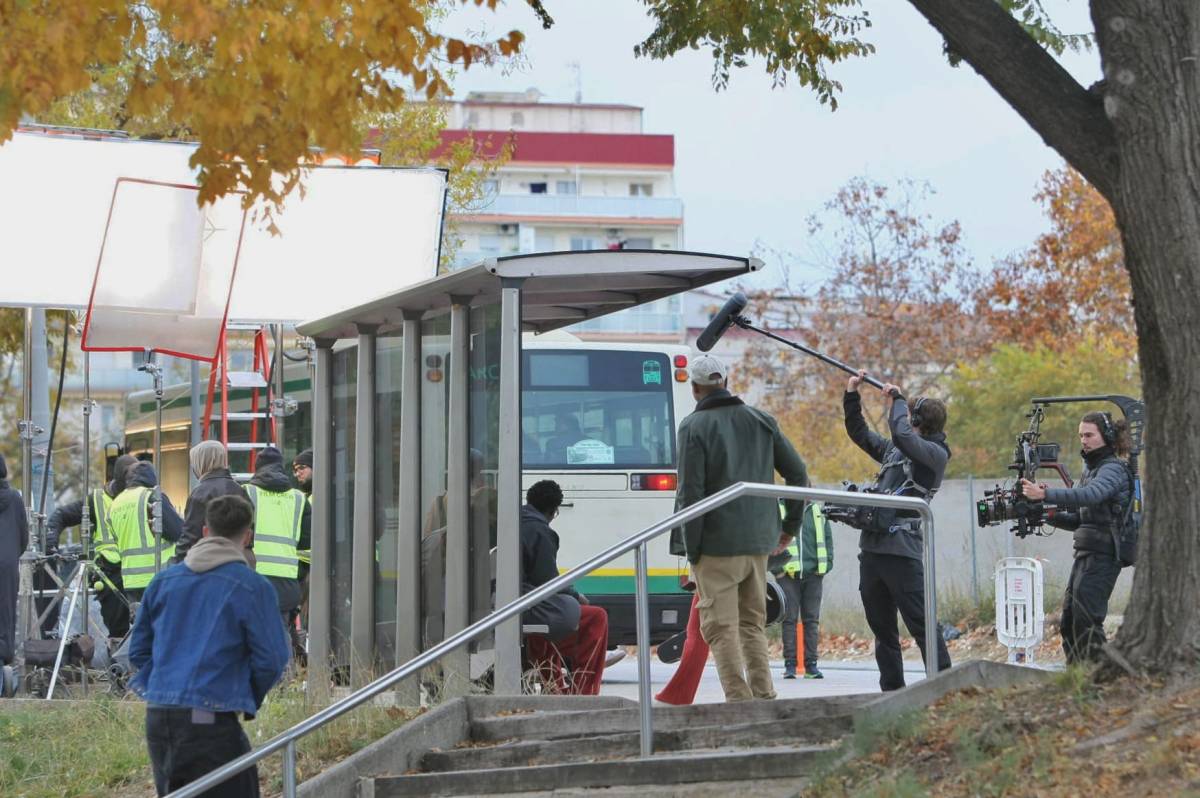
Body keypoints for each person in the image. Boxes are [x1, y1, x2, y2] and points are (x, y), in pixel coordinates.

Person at [129, 494, 290, 798]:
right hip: (211, 715)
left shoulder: (162, 581)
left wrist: (166, 683)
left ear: (205, 531)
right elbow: (271, 658)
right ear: (247, 536)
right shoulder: (253, 587)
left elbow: (137, 651)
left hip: (160, 715)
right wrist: (243, 694)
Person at [672, 353, 810, 702]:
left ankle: (739, 702)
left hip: (715, 546)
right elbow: (798, 474)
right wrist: (789, 527)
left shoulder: (693, 427)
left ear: (696, 389)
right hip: (759, 543)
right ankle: (764, 696)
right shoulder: (762, 420)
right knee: (752, 624)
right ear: (726, 382)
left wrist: (693, 550)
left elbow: (692, 494)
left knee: (720, 627)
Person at [843, 370, 951, 691]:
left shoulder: (934, 455)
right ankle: (892, 693)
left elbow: (903, 435)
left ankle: (945, 689)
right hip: (873, 551)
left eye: (909, 418)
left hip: (903, 554)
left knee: (922, 626)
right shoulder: (896, 451)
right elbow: (860, 433)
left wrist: (898, 403)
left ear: (918, 421)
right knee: (883, 631)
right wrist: (852, 395)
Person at [1020, 411, 1133, 664]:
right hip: (1086, 553)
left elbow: (1090, 496)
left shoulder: (1112, 469)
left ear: (1107, 437)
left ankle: (1100, 677)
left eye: (1090, 435)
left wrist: (1044, 495)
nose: (1084, 440)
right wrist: (1043, 514)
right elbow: (1080, 519)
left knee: (1087, 623)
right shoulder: (1091, 470)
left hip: (1105, 555)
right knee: (1069, 622)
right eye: (1081, 435)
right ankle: (1076, 678)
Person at [520, 479, 609, 695]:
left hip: (517, 603)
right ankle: (584, 692)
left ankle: (556, 687)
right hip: (527, 607)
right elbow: (548, 581)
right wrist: (575, 595)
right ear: (553, 511)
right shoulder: (540, 531)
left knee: (552, 621)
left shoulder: (516, 522)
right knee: (597, 617)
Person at [45, 453, 138, 637]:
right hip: (109, 573)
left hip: (136, 570)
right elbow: (61, 515)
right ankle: (117, 658)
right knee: (119, 629)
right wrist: (51, 542)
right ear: (121, 479)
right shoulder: (96, 500)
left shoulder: (139, 496)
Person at [245, 446, 310, 642]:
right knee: (281, 635)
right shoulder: (299, 498)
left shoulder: (247, 492)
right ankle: (286, 672)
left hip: (253, 578)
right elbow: (307, 543)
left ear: (258, 469)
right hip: (287, 583)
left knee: (251, 636)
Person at [770, 502, 832, 679]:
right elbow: (770, 540)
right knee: (789, 619)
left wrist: (827, 565)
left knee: (811, 620)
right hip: (788, 575)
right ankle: (790, 664)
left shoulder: (818, 512)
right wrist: (778, 571)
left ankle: (811, 665)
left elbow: (827, 540)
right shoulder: (780, 509)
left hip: (814, 575)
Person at [109, 461, 183, 602]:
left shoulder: (116, 503)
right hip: (159, 576)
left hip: (130, 580)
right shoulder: (152, 497)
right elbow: (177, 531)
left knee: (141, 622)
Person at [174, 441, 247, 565]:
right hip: (239, 562)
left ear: (201, 462)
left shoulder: (200, 494)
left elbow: (190, 539)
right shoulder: (241, 490)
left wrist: (176, 566)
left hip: (208, 564)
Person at [0, 453, 29, 667]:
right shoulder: (15, 498)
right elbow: (23, 536)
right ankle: (4, 660)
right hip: (8, 564)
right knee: (6, 613)